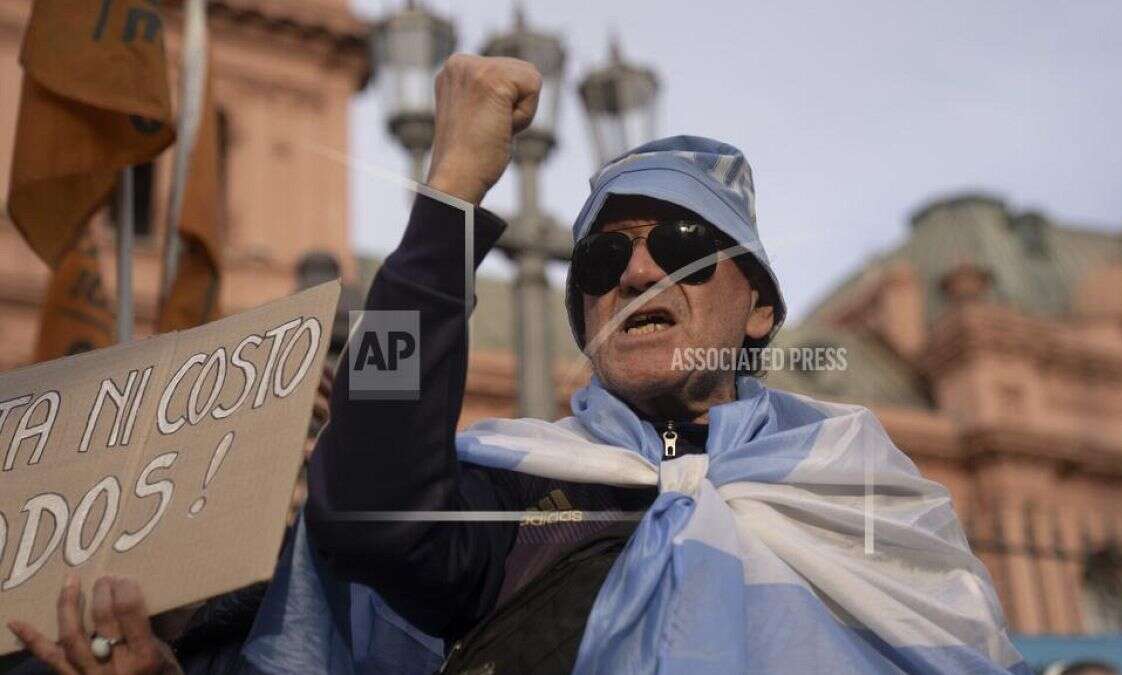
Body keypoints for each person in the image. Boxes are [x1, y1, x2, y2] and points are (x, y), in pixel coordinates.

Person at [287, 53, 1029, 674]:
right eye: (604, 257)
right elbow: (362, 509)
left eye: (682, 244)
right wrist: (449, 197)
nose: (638, 273)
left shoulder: (869, 496)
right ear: (586, 323)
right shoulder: (522, 493)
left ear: (761, 309)